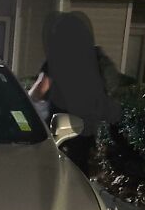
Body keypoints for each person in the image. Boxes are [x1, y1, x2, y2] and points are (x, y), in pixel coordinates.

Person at [29, 12, 121, 177]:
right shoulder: (95, 57)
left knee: (55, 171)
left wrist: (26, 99)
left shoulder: (59, 56)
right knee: (81, 170)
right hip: (89, 127)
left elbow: (40, 89)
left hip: (63, 127)